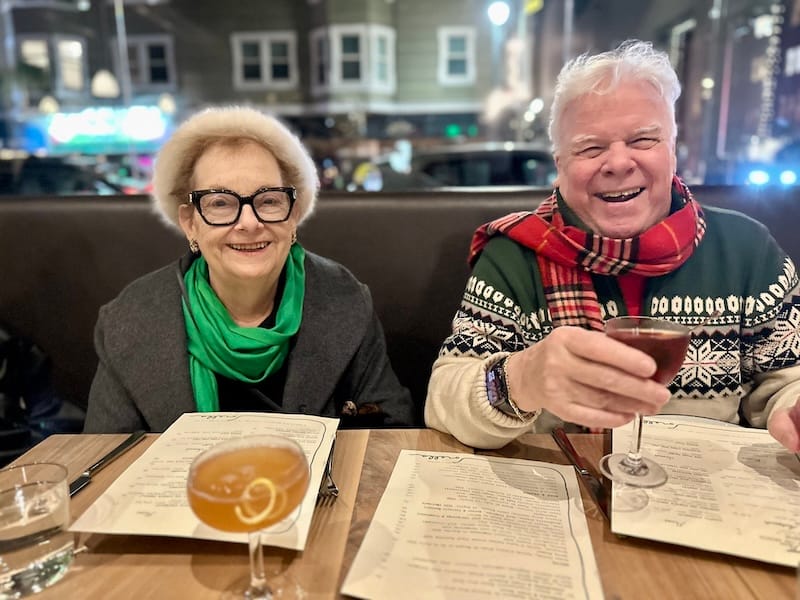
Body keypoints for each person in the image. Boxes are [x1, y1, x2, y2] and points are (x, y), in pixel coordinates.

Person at [424, 40, 800, 451]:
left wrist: (793, 410)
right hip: (561, 493)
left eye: (643, 140)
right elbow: (444, 401)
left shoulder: (748, 250)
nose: (619, 163)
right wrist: (520, 378)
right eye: (590, 147)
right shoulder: (514, 254)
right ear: (560, 165)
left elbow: (787, 383)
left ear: (672, 150)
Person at [84, 106, 413, 433]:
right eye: (220, 203)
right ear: (190, 224)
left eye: (268, 200)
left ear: (293, 214)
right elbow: (105, 459)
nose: (249, 223)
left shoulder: (347, 300)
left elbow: (391, 430)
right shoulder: (129, 320)